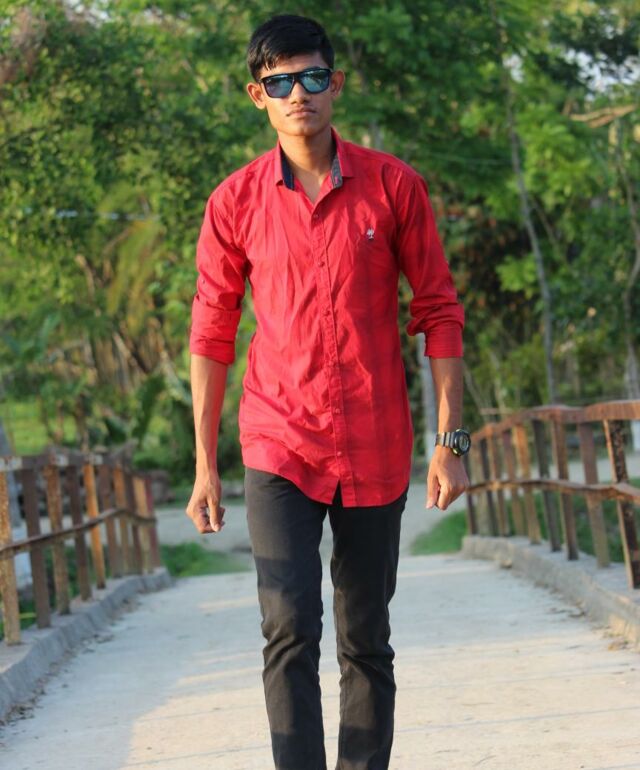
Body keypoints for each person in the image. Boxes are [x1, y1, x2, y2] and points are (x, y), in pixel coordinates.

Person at [186, 13, 470, 770]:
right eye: (280, 82)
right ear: (258, 95)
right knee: (288, 627)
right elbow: (211, 335)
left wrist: (450, 441)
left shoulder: (394, 186)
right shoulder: (234, 202)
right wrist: (205, 465)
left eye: (312, 76)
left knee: (365, 637)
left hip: (375, 444)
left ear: (335, 82)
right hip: (279, 440)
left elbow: (439, 311)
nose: (298, 94)